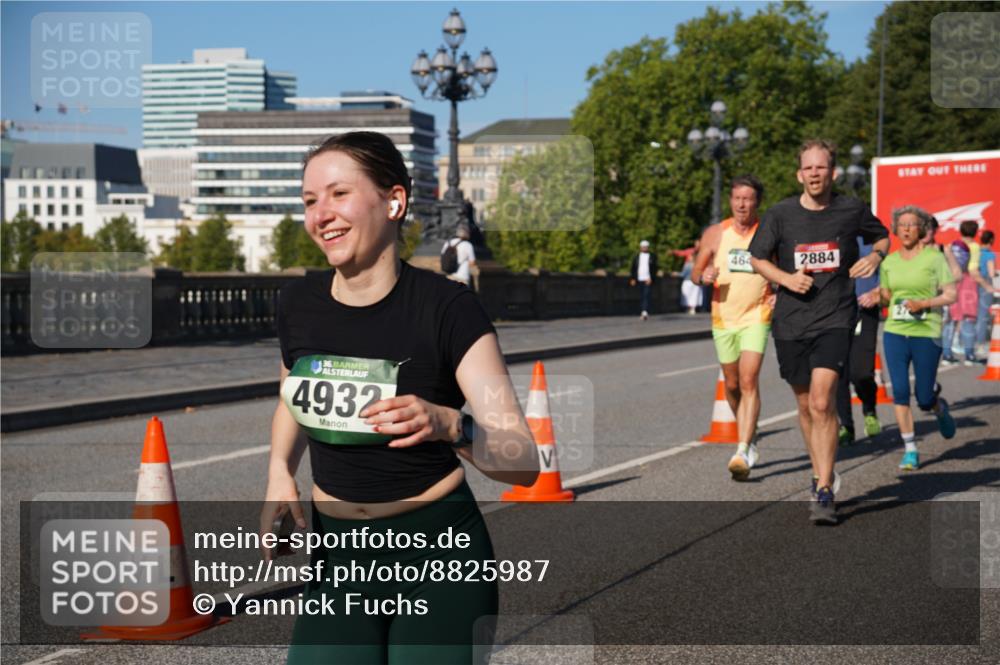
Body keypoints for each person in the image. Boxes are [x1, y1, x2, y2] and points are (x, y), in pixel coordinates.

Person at [263, 131, 539, 664]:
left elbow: (524, 462)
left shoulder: (450, 309)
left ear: (394, 201)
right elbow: (289, 398)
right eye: (310, 201)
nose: (322, 214)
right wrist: (279, 469)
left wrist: (450, 425)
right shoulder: (297, 304)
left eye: (339, 194)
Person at [749, 139, 889, 525]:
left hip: (835, 317)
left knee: (823, 402)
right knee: (805, 404)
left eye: (821, 167)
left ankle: (824, 488)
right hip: (791, 322)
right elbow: (757, 257)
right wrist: (786, 280)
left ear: (833, 172)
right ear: (799, 174)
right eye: (808, 168)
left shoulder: (851, 209)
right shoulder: (779, 215)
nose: (815, 173)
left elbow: (882, 236)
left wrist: (875, 255)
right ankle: (819, 470)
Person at [691, 175, 772, 480]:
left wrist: (777, 292)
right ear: (730, 201)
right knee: (733, 383)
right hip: (724, 317)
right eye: (737, 198)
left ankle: (743, 447)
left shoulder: (768, 231)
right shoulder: (716, 233)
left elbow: (781, 268)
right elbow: (695, 272)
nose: (742, 204)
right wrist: (704, 276)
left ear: (757, 202)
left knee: (749, 379)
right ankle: (748, 427)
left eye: (748, 198)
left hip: (757, 314)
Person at [879, 206, 958, 470]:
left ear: (921, 229)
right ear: (895, 229)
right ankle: (910, 448)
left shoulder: (934, 259)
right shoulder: (888, 262)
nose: (907, 229)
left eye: (913, 224)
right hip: (895, 332)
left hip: (927, 332)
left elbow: (951, 294)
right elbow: (887, 295)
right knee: (899, 391)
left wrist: (924, 303)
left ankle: (938, 408)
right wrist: (874, 296)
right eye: (902, 225)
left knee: (923, 397)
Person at [834, 239, 883, 446]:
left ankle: (869, 407)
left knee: (861, 372)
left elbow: (892, 274)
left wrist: (877, 292)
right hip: (835, 312)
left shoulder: (873, 239)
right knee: (838, 373)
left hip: (865, 310)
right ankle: (846, 425)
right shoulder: (831, 234)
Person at [941, 233, 979, 366]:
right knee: (964, 323)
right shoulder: (971, 249)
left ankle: (947, 353)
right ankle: (968, 354)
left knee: (950, 324)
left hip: (952, 290)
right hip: (960, 289)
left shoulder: (949, 252)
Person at [975, 229, 997, 358]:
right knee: (983, 318)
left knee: (973, 316)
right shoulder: (989, 255)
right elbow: (991, 273)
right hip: (985, 286)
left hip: (973, 285)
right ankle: (980, 345)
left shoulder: (976, 253)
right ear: (991, 240)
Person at [629, 239, 659, 320]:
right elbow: (633, 268)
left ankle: (645, 311)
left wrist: (651, 278)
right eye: (643, 247)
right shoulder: (637, 257)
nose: (644, 248)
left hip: (647, 279)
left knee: (646, 295)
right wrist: (632, 278)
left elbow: (655, 268)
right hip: (639, 278)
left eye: (646, 247)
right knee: (641, 295)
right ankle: (642, 310)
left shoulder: (652, 256)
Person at [677, 241, 703, 315]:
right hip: (696, 282)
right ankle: (693, 308)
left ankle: (688, 308)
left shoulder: (687, 265)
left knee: (687, 295)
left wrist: (676, 274)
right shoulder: (698, 265)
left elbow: (683, 274)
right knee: (694, 295)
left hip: (687, 281)